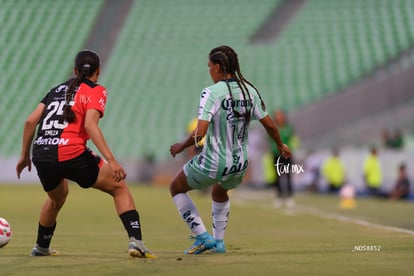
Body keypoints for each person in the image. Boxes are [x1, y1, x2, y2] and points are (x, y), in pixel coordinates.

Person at [15, 50, 155, 258]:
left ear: (74, 70)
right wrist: (112, 161)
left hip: (42, 153)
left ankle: (41, 247)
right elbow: (90, 124)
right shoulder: (96, 90)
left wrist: (24, 156)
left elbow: (29, 121)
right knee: (119, 187)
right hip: (71, 152)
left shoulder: (55, 90)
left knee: (56, 198)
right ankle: (136, 242)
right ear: (98, 71)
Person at [169, 45, 291, 254]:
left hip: (215, 160)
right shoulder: (249, 91)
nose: (209, 70)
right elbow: (270, 125)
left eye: (209, 66)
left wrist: (182, 146)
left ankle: (202, 237)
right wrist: (281, 145)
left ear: (217, 67)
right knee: (219, 190)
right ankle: (219, 242)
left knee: (176, 187)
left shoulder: (211, 92)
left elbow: (201, 131)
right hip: (240, 163)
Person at [269, 110, 297, 208]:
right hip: (276, 155)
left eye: (280, 115)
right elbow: (271, 141)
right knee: (278, 176)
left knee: (288, 175)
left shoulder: (288, 128)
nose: (279, 117)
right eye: (277, 115)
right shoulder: (273, 128)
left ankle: (289, 196)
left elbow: (292, 140)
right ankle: (279, 196)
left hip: (287, 155)